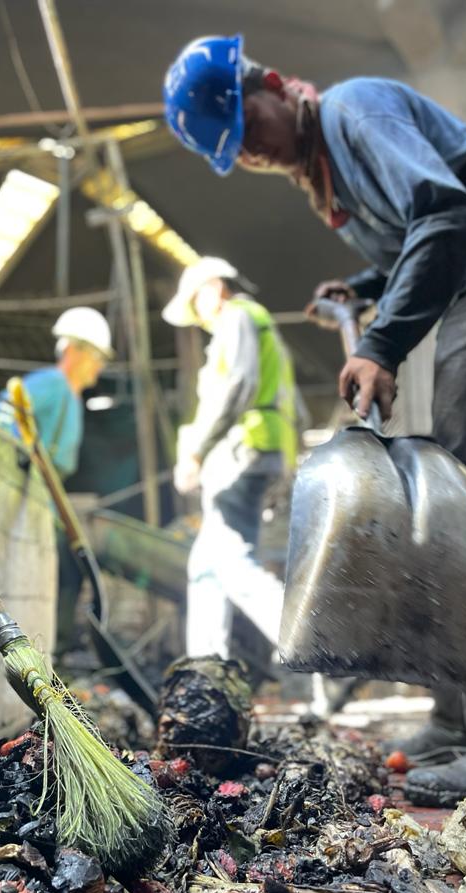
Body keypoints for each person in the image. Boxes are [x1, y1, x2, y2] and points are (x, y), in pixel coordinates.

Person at [163, 35, 466, 805]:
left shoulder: (352, 108)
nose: (251, 152)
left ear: (271, 85)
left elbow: (446, 212)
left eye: (247, 128)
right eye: (234, 151)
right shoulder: (329, 167)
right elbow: (420, 232)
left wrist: (381, 342)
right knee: (453, 500)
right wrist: (364, 286)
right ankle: (459, 718)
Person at [163, 256, 298, 659]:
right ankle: (206, 674)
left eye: (196, 305)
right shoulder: (261, 326)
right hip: (262, 449)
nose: (198, 317)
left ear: (213, 289)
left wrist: (196, 451)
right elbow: (295, 406)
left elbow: (239, 384)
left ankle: (306, 637)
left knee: (232, 562)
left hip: (244, 453)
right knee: (205, 567)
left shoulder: (236, 318)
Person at [0, 307, 114, 650]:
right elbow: (1, 409)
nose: (100, 366)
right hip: (31, 495)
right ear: (73, 351)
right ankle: (54, 648)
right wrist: (15, 451)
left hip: (48, 499)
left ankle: (59, 649)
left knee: (68, 575)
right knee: (65, 575)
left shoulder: (71, 398)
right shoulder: (53, 384)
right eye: (96, 356)